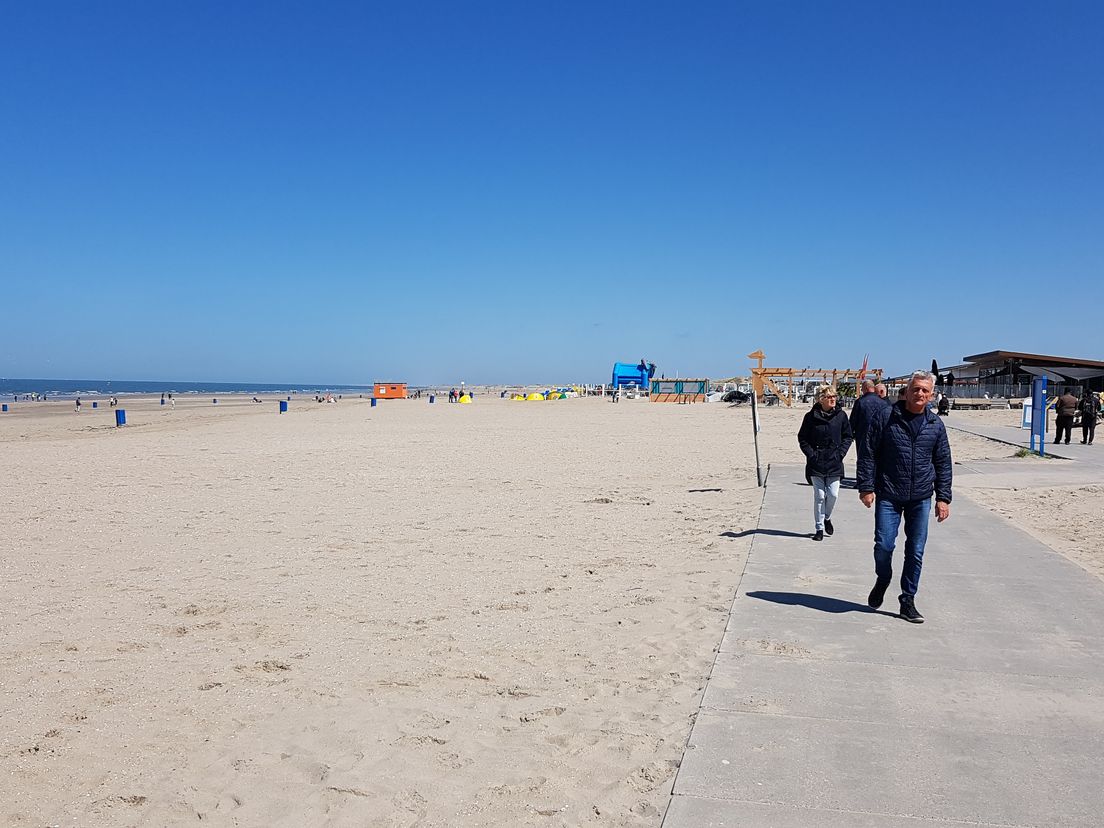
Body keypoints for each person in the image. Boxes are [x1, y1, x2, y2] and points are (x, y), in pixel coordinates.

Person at [857, 370, 952, 623]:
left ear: (931, 396)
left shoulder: (936, 425)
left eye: (925, 390)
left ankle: (907, 600)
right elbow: (867, 452)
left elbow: (943, 462)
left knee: (916, 550)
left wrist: (943, 497)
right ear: (907, 391)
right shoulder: (885, 417)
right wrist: (866, 487)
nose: (919, 393)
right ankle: (883, 577)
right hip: (889, 493)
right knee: (884, 545)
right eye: (916, 389)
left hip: (921, 497)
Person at [798, 385, 853, 542]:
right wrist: (811, 454)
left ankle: (827, 517)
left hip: (834, 461)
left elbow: (848, 436)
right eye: (829, 397)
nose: (833, 399)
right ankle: (819, 528)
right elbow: (802, 438)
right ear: (821, 399)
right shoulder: (810, 417)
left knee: (833, 494)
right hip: (816, 462)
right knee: (820, 496)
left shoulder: (841, 416)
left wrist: (841, 453)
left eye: (834, 396)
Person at [849, 379, 889, 451]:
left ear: (866, 388)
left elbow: (853, 420)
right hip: (878, 436)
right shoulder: (883, 403)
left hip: (862, 435)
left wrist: (850, 434)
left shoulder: (860, 402)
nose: (862, 391)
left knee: (863, 457)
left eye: (862, 389)